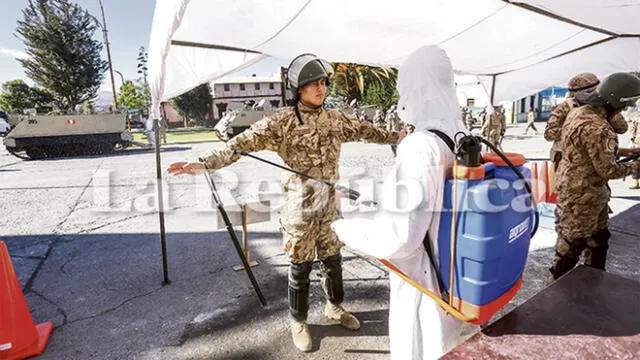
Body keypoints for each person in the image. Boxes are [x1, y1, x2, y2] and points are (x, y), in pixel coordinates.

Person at [167, 53, 404, 352]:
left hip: (330, 207)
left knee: (333, 261)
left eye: (323, 83)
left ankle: (335, 309)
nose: (321, 88)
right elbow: (239, 145)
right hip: (300, 210)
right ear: (299, 89)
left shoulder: (336, 119)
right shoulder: (282, 122)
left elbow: (369, 132)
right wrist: (202, 163)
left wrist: (398, 136)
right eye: (313, 84)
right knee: (301, 267)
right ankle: (299, 322)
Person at [331, 45, 479, 360]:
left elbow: (400, 238)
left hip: (426, 290)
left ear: (417, 87)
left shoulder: (420, 145)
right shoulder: (461, 134)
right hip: (455, 283)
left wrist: (346, 229)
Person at [549, 72, 640, 280]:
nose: (625, 110)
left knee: (599, 239)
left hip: (577, 189)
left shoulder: (580, 112)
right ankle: (555, 293)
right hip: (583, 196)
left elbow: (588, 151)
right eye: (625, 105)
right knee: (572, 246)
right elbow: (608, 170)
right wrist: (635, 167)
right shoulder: (599, 128)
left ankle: (593, 283)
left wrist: (624, 152)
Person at [544, 72, 628, 172]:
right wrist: (577, 129)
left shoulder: (603, 106)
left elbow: (622, 128)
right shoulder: (565, 107)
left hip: (596, 159)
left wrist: (609, 113)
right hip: (569, 164)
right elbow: (549, 134)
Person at [629, 112, 640, 189]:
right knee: (636, 164)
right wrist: (632, 137)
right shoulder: (637, 118)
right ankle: (636, 182)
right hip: (637, 144)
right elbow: (633, 128)